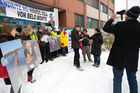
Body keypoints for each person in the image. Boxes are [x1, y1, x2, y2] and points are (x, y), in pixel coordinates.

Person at [103, 6, 140, 93]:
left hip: (118, 58)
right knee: (132, 79)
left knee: (117, 79)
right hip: (132, 58)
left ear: (127, 16)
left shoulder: (120, 25)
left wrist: (112, 19)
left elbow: (106, 28)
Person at [0, 24, 17, 93]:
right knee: (16, 83)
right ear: (9, 31)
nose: (15, 32)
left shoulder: (8, 39)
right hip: (10, 68)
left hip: (12, 67)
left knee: (16, 84)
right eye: (14, 30)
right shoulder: (4, 40)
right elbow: (4, 57)